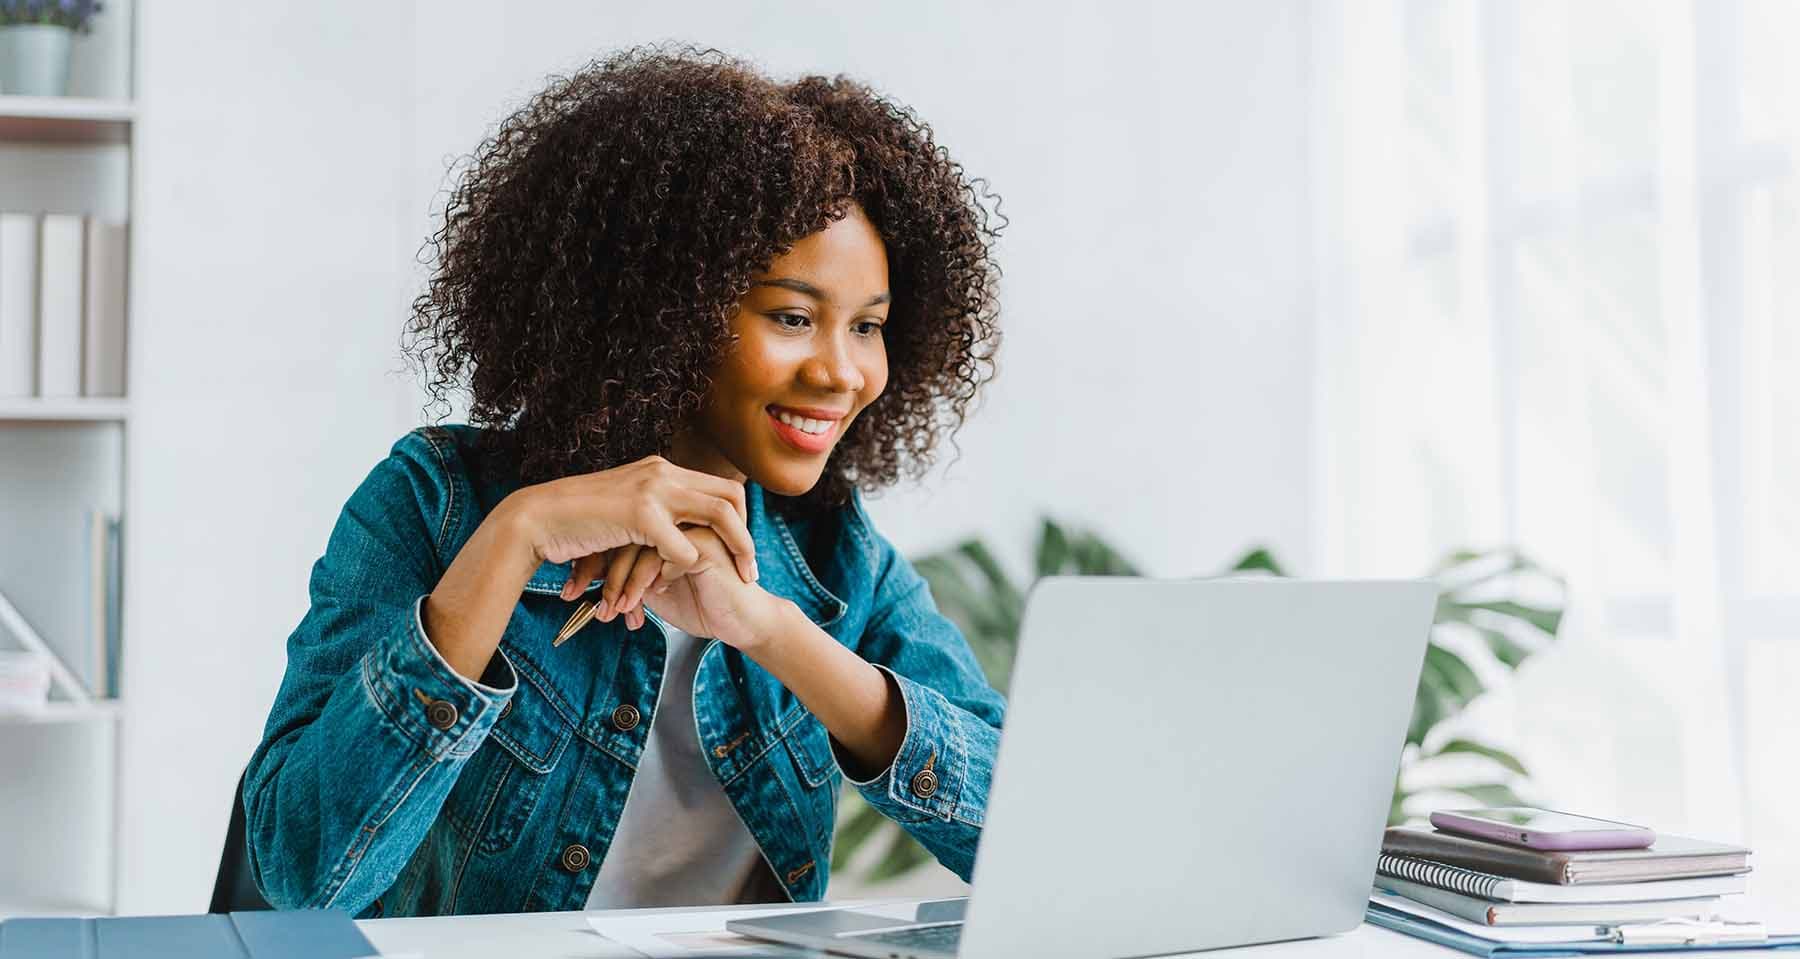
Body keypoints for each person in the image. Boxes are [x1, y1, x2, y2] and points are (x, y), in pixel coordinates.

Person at [242, 46, 1007, 918]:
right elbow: (302, 873)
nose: (843, 372)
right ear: (667, 310)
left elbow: (1032, 836)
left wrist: (769, 629)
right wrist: (514, 537)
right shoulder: (436, 501)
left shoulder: (836, 555)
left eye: (868, 327)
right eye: (793, 317)